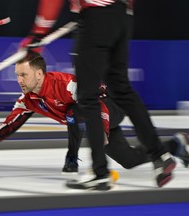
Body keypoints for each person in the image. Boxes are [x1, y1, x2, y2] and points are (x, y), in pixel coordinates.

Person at [18, 0, 176, 190]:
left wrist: (38, 33)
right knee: (122, 91)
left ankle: (100, 173)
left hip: (96, 16)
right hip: (123, 16)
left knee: (87, 97)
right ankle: (160, 155)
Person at [0, 53, 189, 178]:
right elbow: (11, 123)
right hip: (94, 119)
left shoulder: (66, 85)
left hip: (110, 105)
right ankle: (176, 144)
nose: (19, 80)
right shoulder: (27, 100)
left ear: (39, 73)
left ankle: (72, 159)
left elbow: (95, 104)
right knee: (129, 160)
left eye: (23, 75)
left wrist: (101, 131)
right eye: (17, 75)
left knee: (73, 111)